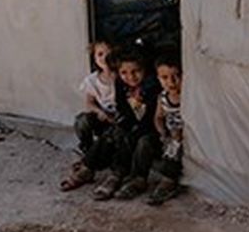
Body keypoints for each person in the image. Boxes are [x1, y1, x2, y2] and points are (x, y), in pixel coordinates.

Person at [93, 46, 161, 201]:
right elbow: (123, 108)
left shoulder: (152, 87)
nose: (130, 77)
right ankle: (116, 173)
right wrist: (125, 125)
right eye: (124, 72)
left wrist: (135, 130)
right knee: (119, 133)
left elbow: (152, 118)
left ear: (145, 69)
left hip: (152, 129)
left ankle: (138, 179)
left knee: (144, 141)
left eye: (136, 71)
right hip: (134, 125)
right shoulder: (121, 84)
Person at [60, 39, 116, 191]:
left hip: (118, 121)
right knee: (82, 120)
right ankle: (88, 151)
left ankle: (87, 167)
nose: (104, 58)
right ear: (94, 57)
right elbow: (89, 103)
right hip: (103, 118)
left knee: (112, 135)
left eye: (109, 54)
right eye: (100, 54)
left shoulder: (122, 76)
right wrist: (100, 112)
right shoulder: (92, 80)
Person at [146, 51, 183, 205]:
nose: (171, 82)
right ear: (158, 79)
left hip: (184, 135)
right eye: (165, 78)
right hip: (169, 134)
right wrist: (162, 130)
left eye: (176, 76)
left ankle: (168, 182)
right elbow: (158, 117)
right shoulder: (162, 98)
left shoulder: (188, 96)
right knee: (148, 143)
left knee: (176, 149)